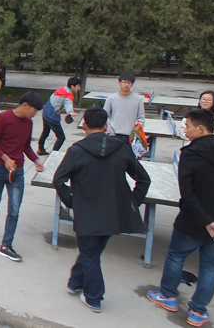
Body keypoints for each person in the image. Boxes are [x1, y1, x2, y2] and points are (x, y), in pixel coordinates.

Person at [53, 106, 151, 313]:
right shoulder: (121, 149)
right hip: (113, 213)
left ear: (84, 125)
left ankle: (94, 297)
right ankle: (75, 283)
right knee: (92, 252)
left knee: (90, 254)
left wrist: (72, 202)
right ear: (106, 126)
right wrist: (131, 203)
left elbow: (59, 180)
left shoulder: (76, 151)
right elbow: (144, 179)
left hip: (87, 213)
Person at [147, 109, 214, 327]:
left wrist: (206, 222)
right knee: (210, 267)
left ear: (201, 128)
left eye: (187, 126)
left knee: (176, 256)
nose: (184, 130)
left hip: (192, 221)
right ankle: (198, 312)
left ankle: (168, 296)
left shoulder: (190, 153)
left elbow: (187, 192)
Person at [0, 91, 45, 262]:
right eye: (34, 110)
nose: (35, 114)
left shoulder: (28, 123)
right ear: (25, 105)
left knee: (14, 209)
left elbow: (26, 146)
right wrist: (5, 158)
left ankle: (6, 245)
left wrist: (36, 160)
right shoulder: (3, 118)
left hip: (17, 171)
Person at [37, 77, 82, 155]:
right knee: (61, 137)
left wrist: (60, 109)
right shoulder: (68, 96)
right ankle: (53, 154)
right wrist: (71, 113)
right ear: (72, 86)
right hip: (52, 116)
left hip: (46, 112)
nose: (79, 88)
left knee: (45, 132)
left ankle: (40, 149)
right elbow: (68, 106)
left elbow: (57, 100)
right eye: (78, 86)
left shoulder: (62, 89)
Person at [103, 72, 145, 148]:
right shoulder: (111, 98)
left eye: (129, 83)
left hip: (130, 137)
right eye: (124, 82)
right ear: (119, 83)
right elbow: (104, 117)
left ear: (132, 84)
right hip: (114, 135)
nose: (126, 85)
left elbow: (141, 119)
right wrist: (110, 132)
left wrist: (135, 133)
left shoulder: (138, 99)